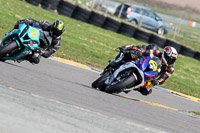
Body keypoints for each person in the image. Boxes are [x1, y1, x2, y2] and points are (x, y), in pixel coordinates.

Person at [108, 43, 178, 95]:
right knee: (133, 54)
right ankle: (118, 62)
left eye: (172, 60)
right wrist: (140, 53)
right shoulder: (157, 52)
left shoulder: (170, 69)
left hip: (150, 77)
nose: (169, 61)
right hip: (143, 64)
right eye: (168, 58)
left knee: (147, 91)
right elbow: (146, 52)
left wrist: (157, 81)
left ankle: (129, 85)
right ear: (164, 54)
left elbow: (163, 78)